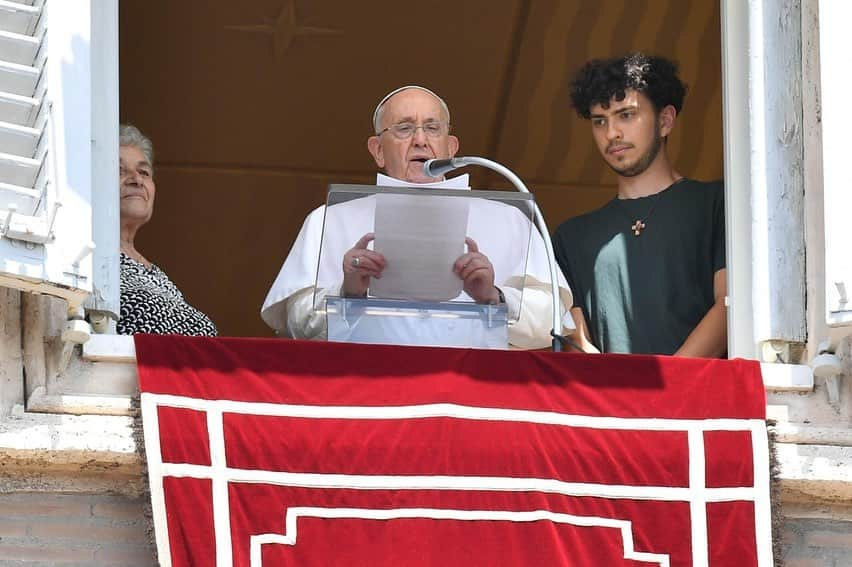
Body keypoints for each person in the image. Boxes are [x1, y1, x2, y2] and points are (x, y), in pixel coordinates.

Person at [262, 85, 572, 349]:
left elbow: (552, 318)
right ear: (378, 151)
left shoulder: (508, 219)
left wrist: (494, 297)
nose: (421, 140)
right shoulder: (329, 220)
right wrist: (347, 292)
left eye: (433, 128)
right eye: (404, 128)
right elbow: (295, 323)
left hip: (473, 392)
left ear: (450, 147)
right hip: (371, 390)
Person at [552, 53, 726, 357]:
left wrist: (668, 387)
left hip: (705, 398)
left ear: (665, 120)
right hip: (608, 401)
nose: (612, 133)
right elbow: (575, 343)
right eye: (599, 121)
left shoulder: (717, 204)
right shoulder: (572, 237)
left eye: (626, 115)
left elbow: (730, 306)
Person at [118, 124, 217, 336]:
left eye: (144, 172)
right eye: (119, 170)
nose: (136, 180)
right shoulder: (87, 262)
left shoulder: (157, 275)